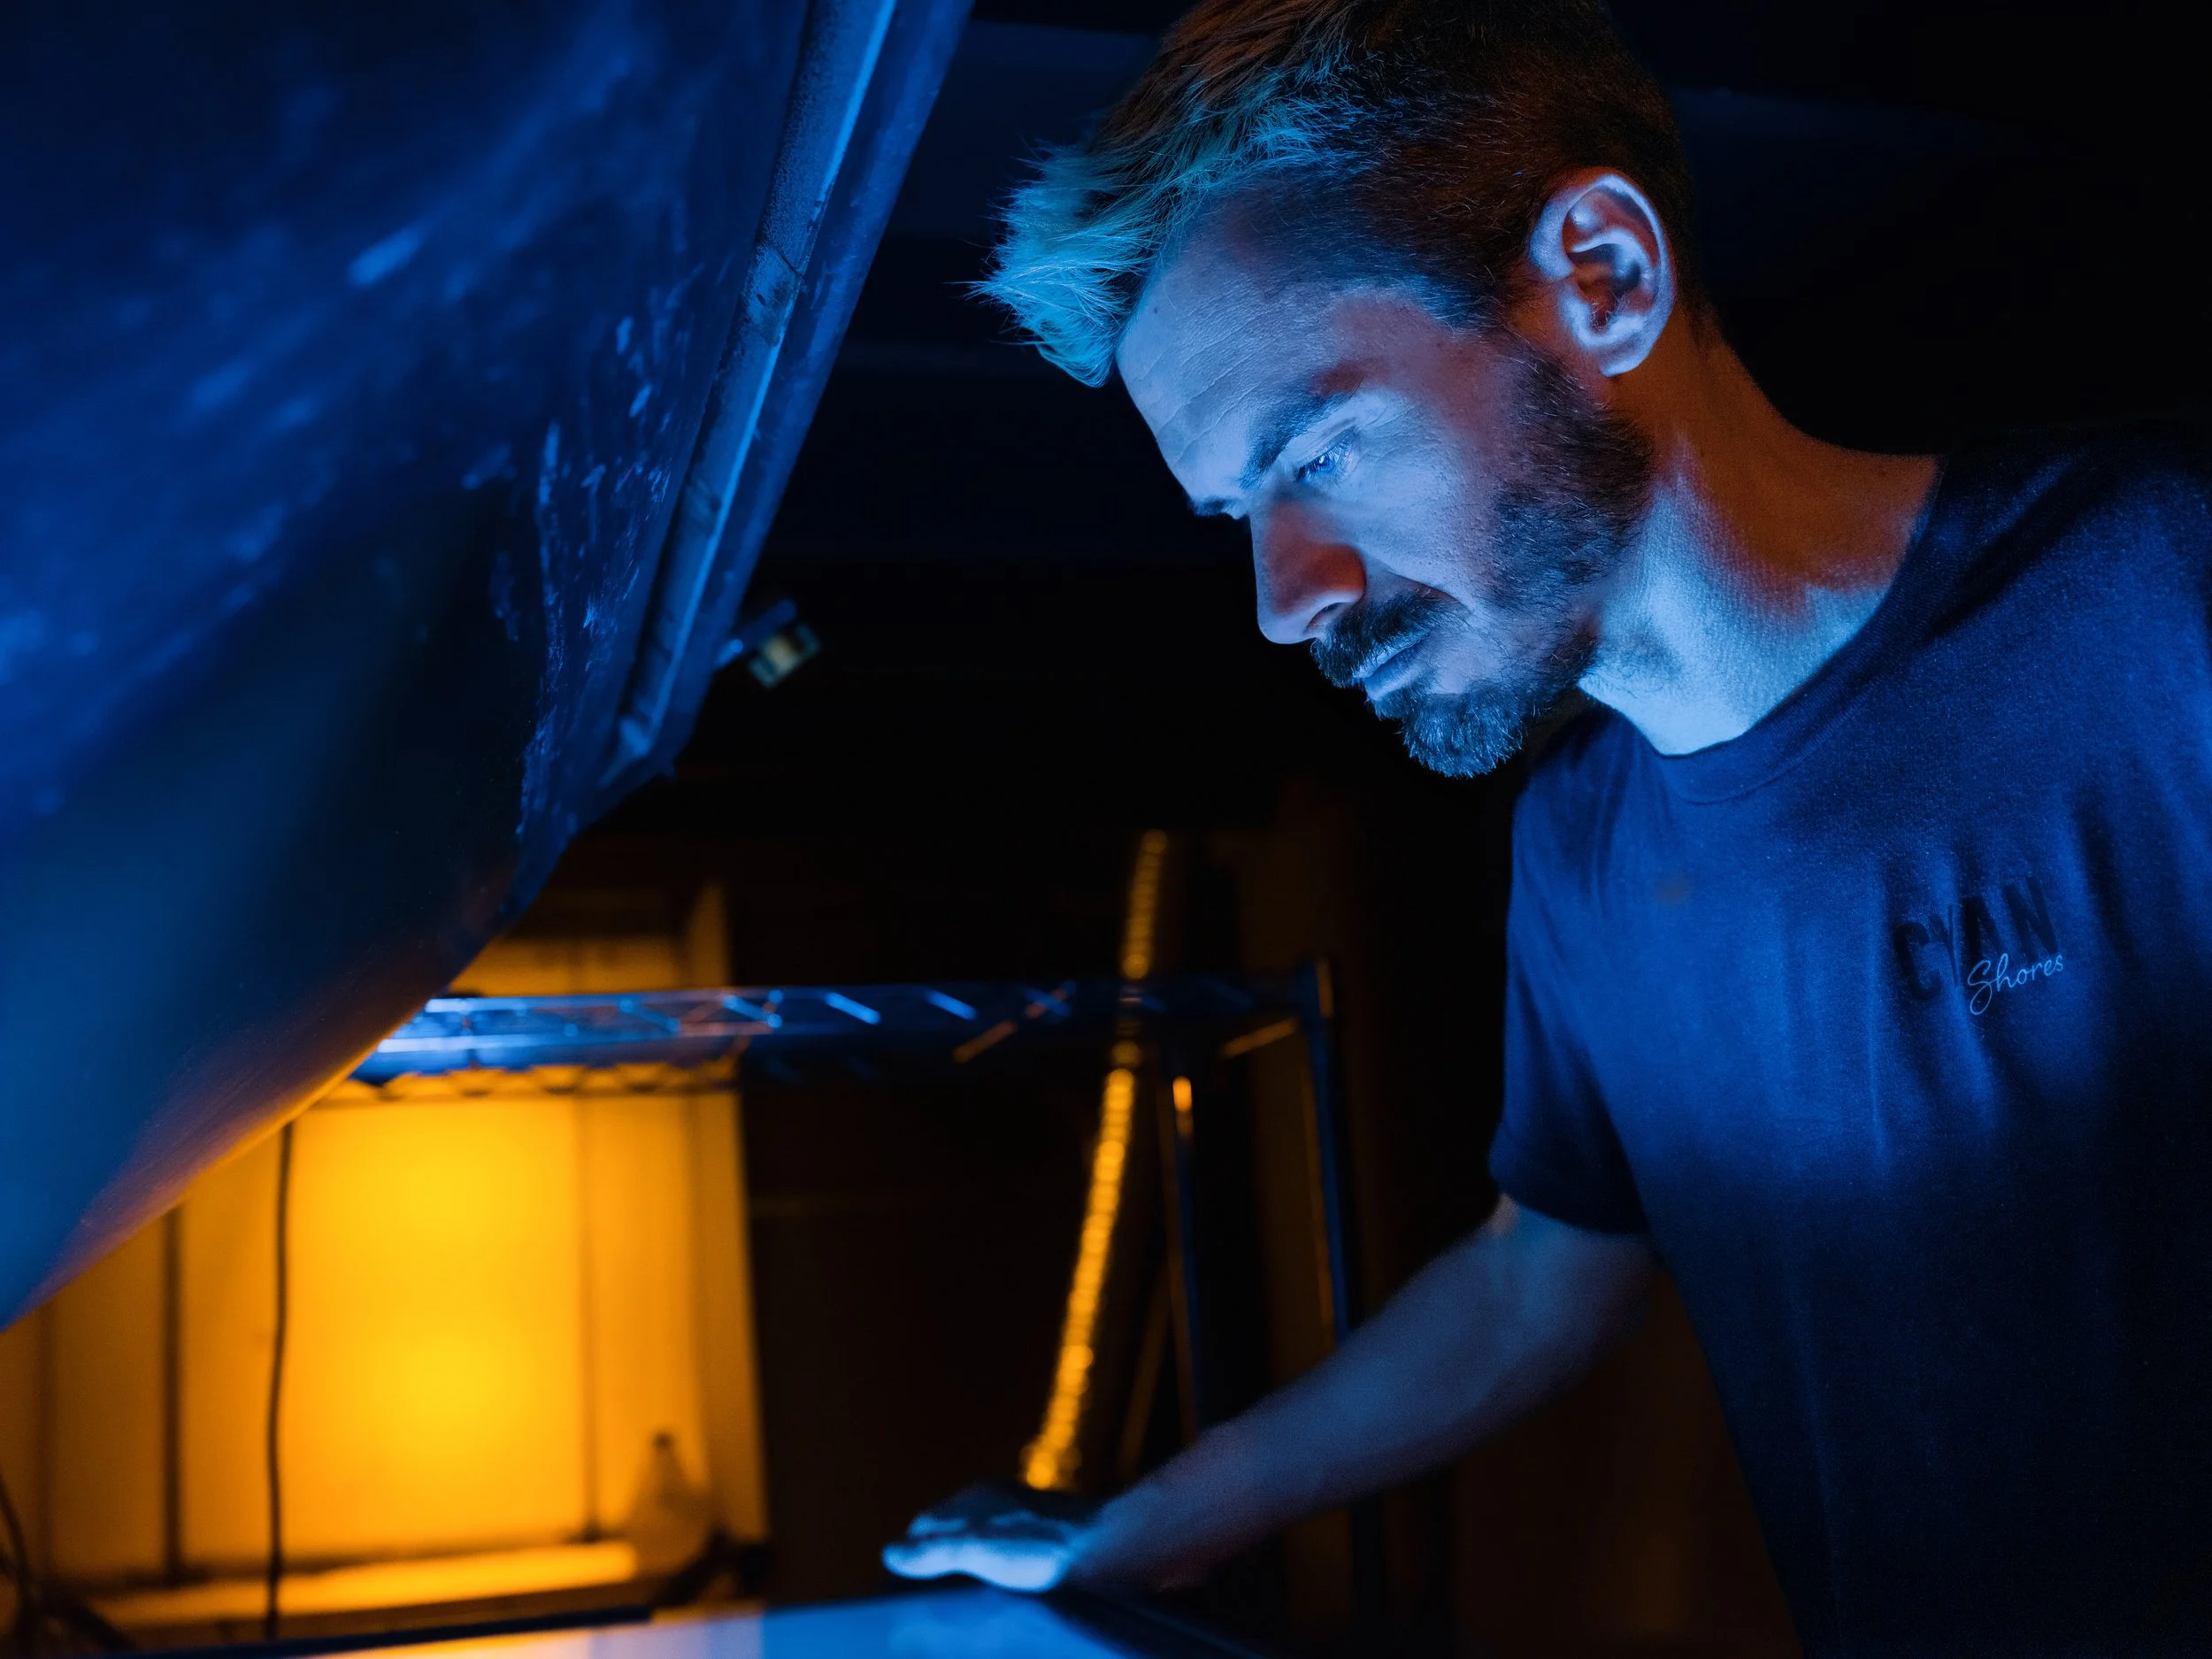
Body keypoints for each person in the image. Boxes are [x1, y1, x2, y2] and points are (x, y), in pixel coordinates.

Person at [884, 1, 2212, 1651]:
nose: (1286, 602)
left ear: (1603, 275)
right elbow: (1535, 1278)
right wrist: (1149, 1522)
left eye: (1319, 450)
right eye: (1241, 515)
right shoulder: (1581, 850)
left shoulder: (2167, 597)